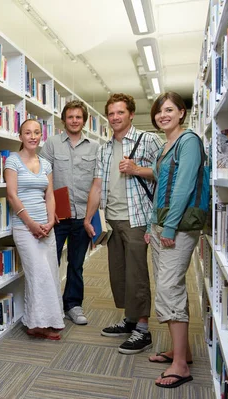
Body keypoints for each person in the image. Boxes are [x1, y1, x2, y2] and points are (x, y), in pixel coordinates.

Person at [84, 93, 163, 354]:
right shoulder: (104, 148)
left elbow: (166, 173)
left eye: (120, 112)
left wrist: (137, 169)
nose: (115, 117)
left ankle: (143, 330)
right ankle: (130, 320)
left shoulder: (149, 139)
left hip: (138, 219)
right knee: (118, 273)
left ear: (130, 114)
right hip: (112, 220)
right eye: (111, 113)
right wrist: (89, 217)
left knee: (137, 274)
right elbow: (97, 185)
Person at [145, 92, 205, 388]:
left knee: (169, 288)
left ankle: (180, 366)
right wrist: (150, 224)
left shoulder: (189, 141)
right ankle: (182, 351)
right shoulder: (165, 146)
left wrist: (168, 228)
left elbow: (183, 187)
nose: (162, 115)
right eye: (158, 111)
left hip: (178, 228)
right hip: (160, 225)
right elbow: (159, 190)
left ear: (182, 112)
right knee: (169, 289)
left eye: (169, 110)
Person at [40, 100, 99, 325]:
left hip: (83, 217)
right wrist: (49, 210)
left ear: (84, 120)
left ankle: (73, 304)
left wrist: (90, 216)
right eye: (70, 117)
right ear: (63, 120)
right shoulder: (52, 144)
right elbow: (43, 179)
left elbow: (97, 182)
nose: (74, 121)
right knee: (50, 262)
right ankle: (50, 305)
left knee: (76, 263)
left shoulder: (94, 148)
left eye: (79, 117)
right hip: (56, 216)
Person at [5, 119, 65, 340]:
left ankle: (43, 320)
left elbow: (49, 195)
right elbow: (12, 195)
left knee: (50, 273)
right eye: (27, 132)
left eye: (37, 132)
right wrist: (31, 223)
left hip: (46, 228)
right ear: (20, 136)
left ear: (42, 135)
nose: (32, 136)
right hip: (24, 227)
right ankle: (38, 324)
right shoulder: (12, 161)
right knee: (38, 274)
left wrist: (50, 221)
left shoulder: (45, 163)